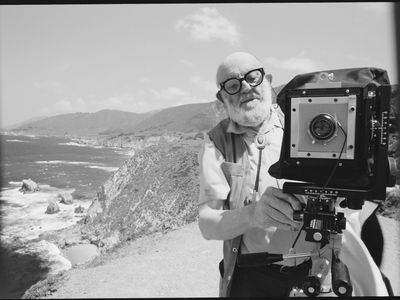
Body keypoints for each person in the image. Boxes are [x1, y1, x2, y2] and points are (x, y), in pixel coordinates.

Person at [197, 51, 391, 297]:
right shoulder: (215, 143)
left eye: (253, 78)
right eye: (233, 85)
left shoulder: (308, 121)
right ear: (222, 98)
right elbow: (207, 224)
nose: (245, 88)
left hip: (317, 271)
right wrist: (253, 215)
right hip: (252, 276)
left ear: (267, 80)